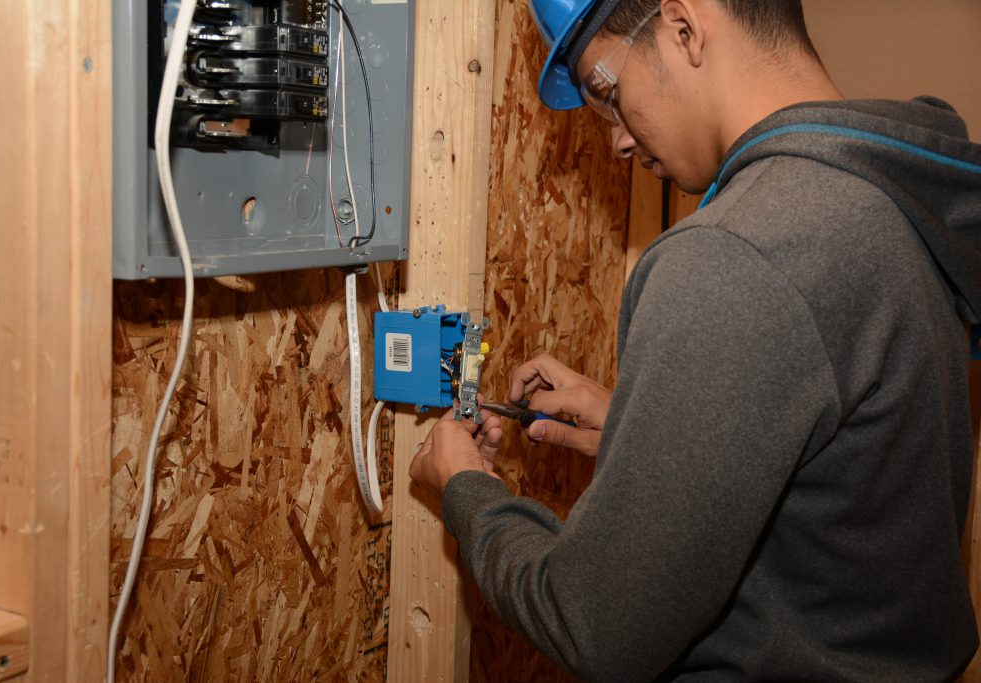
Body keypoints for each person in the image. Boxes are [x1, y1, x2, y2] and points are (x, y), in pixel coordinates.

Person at [408, 0, 981, 679]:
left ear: (683, 26)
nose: (618, 139)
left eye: (607, 92)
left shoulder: (736, 252)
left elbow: (594, 626)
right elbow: (841, 495)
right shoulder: (885, 199)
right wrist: (644, 428)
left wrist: (467, 488)